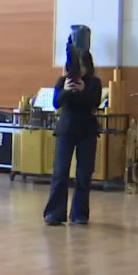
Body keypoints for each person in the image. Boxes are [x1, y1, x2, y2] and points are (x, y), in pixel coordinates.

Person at [43, 52, 102, 226]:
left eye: (82, 66)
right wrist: (66, 90)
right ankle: (54, 213)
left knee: (84, 173)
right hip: (66, 129)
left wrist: (83, 91)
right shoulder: (63, 81)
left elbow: (94, 103)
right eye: (76, 66)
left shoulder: (94, 82)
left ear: (88, 66)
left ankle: (79, 214)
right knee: (60, 172)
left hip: (87, 130)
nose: (79, 70)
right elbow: (56, 103)